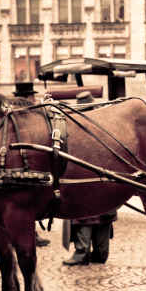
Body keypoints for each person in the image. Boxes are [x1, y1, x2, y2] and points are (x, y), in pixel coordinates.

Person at [0, 82, 50, 247]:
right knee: (23, 197)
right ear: (28, 97)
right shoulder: (24, 110)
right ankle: (28, 234)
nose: (34, 99)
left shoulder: (11, 108)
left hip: (7, 157)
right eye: (33, 96)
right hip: (20, 157)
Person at [62, 91, 118, 265]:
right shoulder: (106, 127)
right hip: (105, 183)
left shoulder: (75, 129)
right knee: (103, 216)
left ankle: (82, 252)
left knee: (84, 216)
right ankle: (101, 252)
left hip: (85, 184)